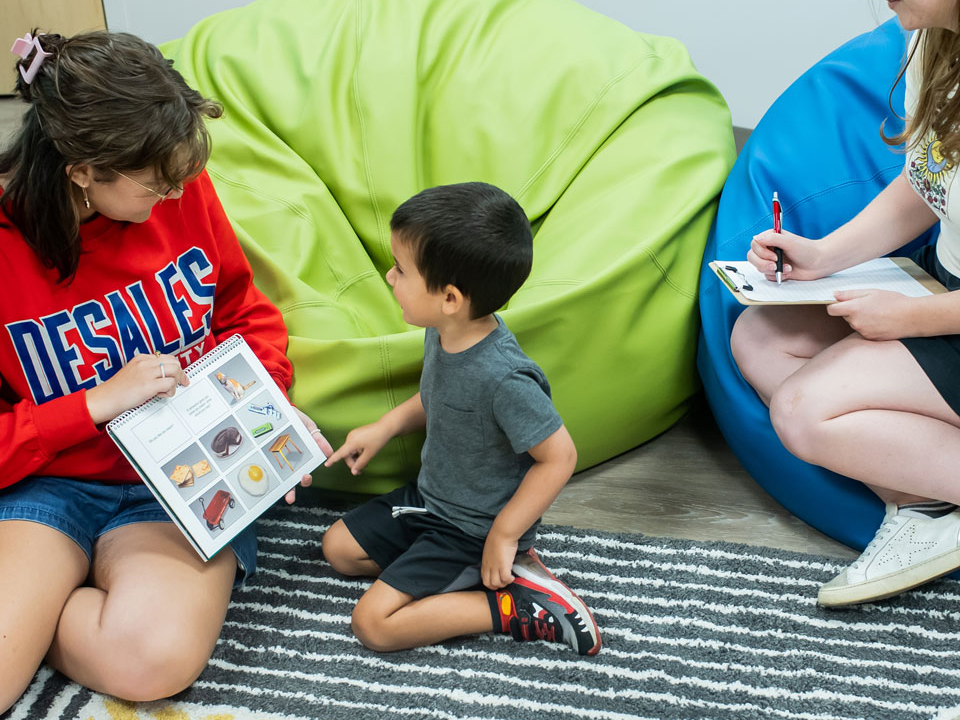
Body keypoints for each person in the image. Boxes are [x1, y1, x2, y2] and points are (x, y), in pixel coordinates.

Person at [0, 31, 330, 712]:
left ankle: (40, 612)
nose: (177, 192)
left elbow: (242, 309)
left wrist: (267, 403)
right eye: (156, 184)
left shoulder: (180, 186)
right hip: (49, 483)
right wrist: (90, 404)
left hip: (185, 475)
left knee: (150, 662)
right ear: (83, 169)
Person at [730, 0, 960, 608]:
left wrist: (911, 318)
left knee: (805, 414)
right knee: (758, 337)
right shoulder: (934, 46)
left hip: (948, 313)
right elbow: (927, 179)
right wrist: (824, 257)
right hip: (947, 290)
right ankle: (928, 501)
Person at [321, 182, 602, 655]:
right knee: (339, 549)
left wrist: (504, 534)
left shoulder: (505, 378)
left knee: (373, 624)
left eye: (400, 270)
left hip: (471, 530)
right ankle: (465, 579)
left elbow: (559, 457)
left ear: (450, 297)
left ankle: (514, 605)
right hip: (432, 501)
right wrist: (384, 427)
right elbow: (439, 397)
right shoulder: (442, 330)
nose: (390, 278)